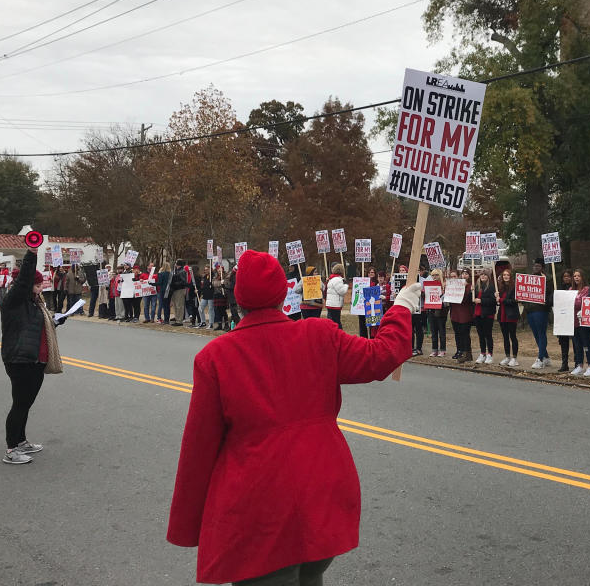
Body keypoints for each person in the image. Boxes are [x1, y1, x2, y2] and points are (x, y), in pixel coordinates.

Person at [167, 249, 419, 585]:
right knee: (309, 576)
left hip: (259, 508)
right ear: (282, 294)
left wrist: (189, 522)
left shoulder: (215, 358)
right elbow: (382, 355)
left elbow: (199, 450)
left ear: (238, 297)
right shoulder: (318, 335)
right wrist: (400, 308)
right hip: (321, 490)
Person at [1, 246, 67, 465]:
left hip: (35, 361)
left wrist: (56, 320)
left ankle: (21, 441)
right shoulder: (14, 300)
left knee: (26, 403)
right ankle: (11, 449)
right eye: (37, 284)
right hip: (20, 360)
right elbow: (23, 281)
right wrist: (31, 255)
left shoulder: (34, 303)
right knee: (20, 404)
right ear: (27, 284)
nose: (41, 288)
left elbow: (36, 326)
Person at [525, 258, 554, 369]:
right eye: (534, 266)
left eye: (538, 266)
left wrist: (546, 303)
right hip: (530, 310)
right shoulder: (529, 278)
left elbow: (551, 294)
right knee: (536, 334)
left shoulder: (548, 279)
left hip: (541, 310)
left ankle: (540, 359)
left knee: (541, 333)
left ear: (542, 267)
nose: (535, 268)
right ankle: (546, 357)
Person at [571, 269, 590, 377]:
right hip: (573, 322)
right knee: (577, 345)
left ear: (582, 277)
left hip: (584, 322)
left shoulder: (587, 290)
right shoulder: (571, 290)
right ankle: (579, 365)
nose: (576, 278)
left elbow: (586, 303)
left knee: (586, 344)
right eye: (575, 276)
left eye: (578, 276)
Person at [495, 268, 520, 367]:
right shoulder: (500, 288)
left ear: (510, 276)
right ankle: (507, 356)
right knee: (505, 337)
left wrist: (501, 300)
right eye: (504, 275)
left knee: (512, 336)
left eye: (507, 275)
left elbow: (514, 301)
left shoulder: (514, 287)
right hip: (502, 315)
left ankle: (514, 358)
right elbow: (498, 302)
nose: (505, 277)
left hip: (511, 315)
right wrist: (496, 297)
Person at [449, 269, 474, 363]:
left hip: (465, 314)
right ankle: (459, 351)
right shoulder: (454, 285)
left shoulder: (470, 286)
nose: (464, 275)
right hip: (455, 313)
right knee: (458, 334)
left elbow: (468, 299)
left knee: (465, 334)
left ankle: (467, 353)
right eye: (463, 274)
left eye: (466, 274)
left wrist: (469, 291)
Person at [474, 268, 496, 364]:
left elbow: (493, 301)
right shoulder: (477, 286)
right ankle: (482, 353)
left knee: (488, 335)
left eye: (485, 275)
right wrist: (472, 292)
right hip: (478, 314)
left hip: (487, 314)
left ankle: (490, 354)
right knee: (481, 335)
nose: (483, 276)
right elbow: (473, 298)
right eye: (481, 275)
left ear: (488, 277)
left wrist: (481, 301)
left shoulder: (491, 287)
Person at [556, 269, 575, 372]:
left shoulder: (575, 288)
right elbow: (551, 301)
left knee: (575, 342)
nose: (566, 278)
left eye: (568, 276)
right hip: (563, 319)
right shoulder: (558, 288)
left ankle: (577, 363)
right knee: (563, 343)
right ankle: (564, 363)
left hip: (573, 319)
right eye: (564, 276)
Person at [427, 268, 448, 357]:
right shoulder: (429, 285)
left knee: (441, 331)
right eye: (433, 275)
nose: (435, 277)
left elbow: (447, 301)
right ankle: (434, 349)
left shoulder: (444, 285)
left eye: (436, 275)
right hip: (431, 310)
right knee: (433, 331)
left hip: (441, 311)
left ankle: (442, 350)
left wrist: (444, 292)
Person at [325, 263, 348, 330]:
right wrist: (346, 285)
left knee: (332, 322)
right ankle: (339, 335)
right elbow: (342, 291)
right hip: (335, 305)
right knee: (337, 322)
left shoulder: (332, 279)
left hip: (331, 304)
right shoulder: (337, 280)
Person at [170, 260, 189, 326]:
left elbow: (184, 282)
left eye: (175, 263)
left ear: (178, 264)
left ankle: (179, 320)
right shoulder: (177, 271)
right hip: (175, 289)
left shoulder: (182, 271)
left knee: (179, 305)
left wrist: (175, 284)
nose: (175, 264)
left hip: (180, 290)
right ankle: (177, 318)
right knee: (175, 305)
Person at [212, 265, 229, 331]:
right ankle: (219, 325)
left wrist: (222, 283)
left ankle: (226, 324)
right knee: (217, 310)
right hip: (216, 295)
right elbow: (214, 283)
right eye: (218, 270)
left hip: (223, 295)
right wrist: (220, 283)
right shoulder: (215, 276)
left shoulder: (226, 276)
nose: (219, 271)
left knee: (223, 310)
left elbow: (226, 283)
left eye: (220, 270)